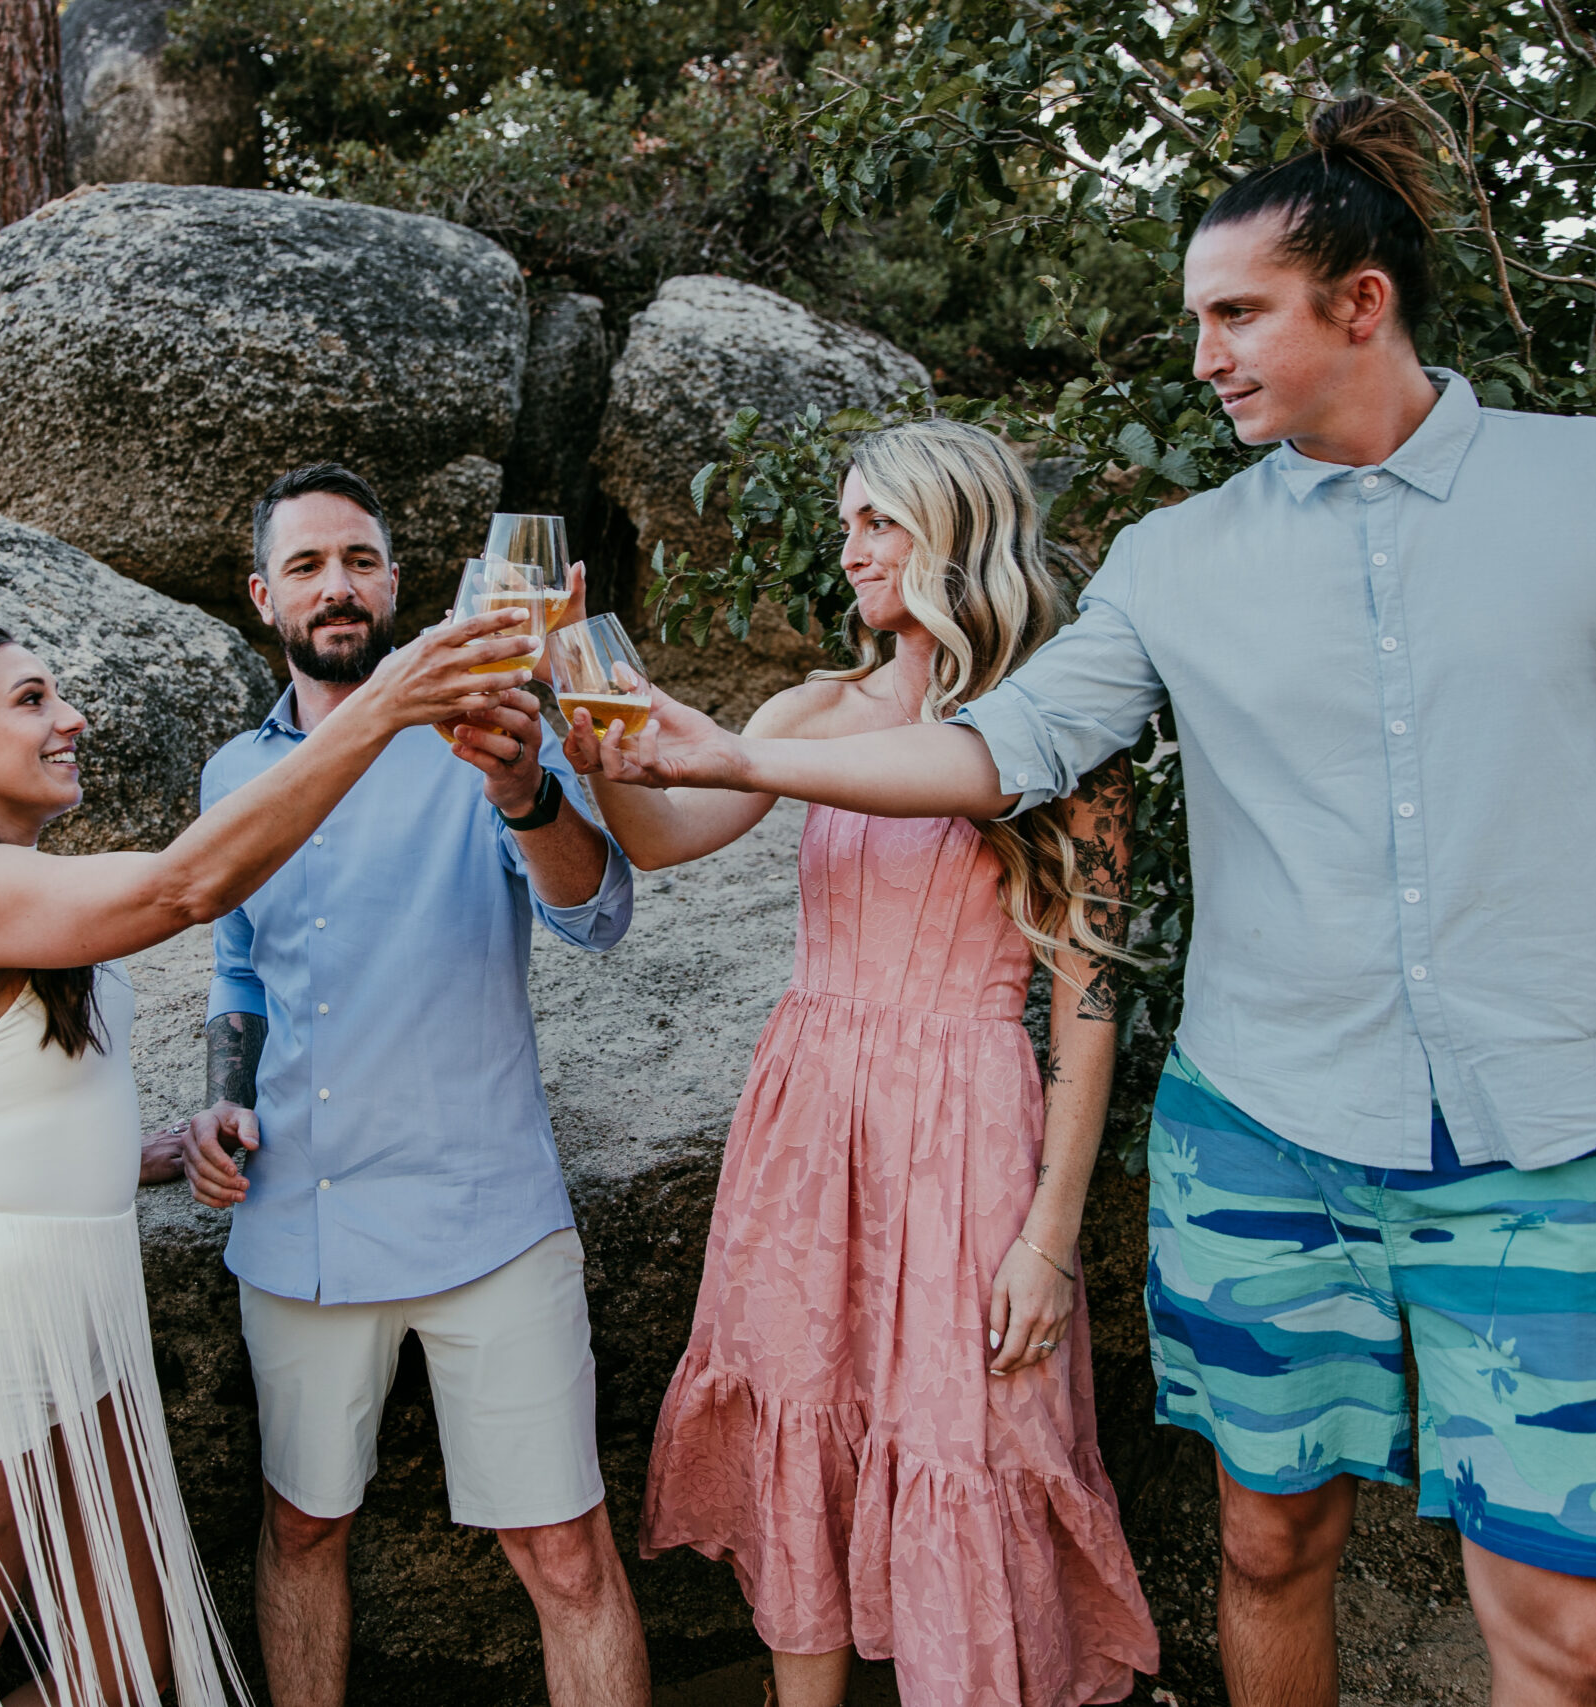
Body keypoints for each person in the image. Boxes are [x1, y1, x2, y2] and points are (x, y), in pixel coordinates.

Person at [591, 97, 1596, 1707]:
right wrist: (710, 744)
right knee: (1265, 1547)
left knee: (1575, 1632)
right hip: (1260, 1138)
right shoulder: (1177, 559)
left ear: (1361, 303)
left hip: (1542, 1145)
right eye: (1197, 319)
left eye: (1237, 314)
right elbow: (1004, 750)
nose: (1205, 356)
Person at [0, 609, 529, 1707]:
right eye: (31, 701)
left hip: (72, 1308)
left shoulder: (4, 879)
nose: (72, 719)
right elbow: (183, 888)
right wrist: (385, 705)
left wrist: (141, 1150)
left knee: (124, 1660)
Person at [563, 418, 1160, 1707]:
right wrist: (590, 737)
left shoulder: (1056, 730)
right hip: (808, 1118)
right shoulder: (813, 709)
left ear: (956, 532)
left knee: (969, 1440)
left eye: (875, 523)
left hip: (965, 1127)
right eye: (846, 524)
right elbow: (663, 838)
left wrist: (1051, 1238)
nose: (849, 552)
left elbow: (1090, 998)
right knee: (801, 1435)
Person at [181, 464, 648, 1707]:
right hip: (301, 1220)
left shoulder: (492, 726)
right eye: (306, 565)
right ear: (260, 596)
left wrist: (525, 789)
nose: (337, 586)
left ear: (399, 581)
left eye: (360, 560)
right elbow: (238, 963)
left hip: (485, 1213)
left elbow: (596, 915)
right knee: (299, 1532)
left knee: (564, 1553)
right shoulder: (235, 775)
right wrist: (223, 1094)